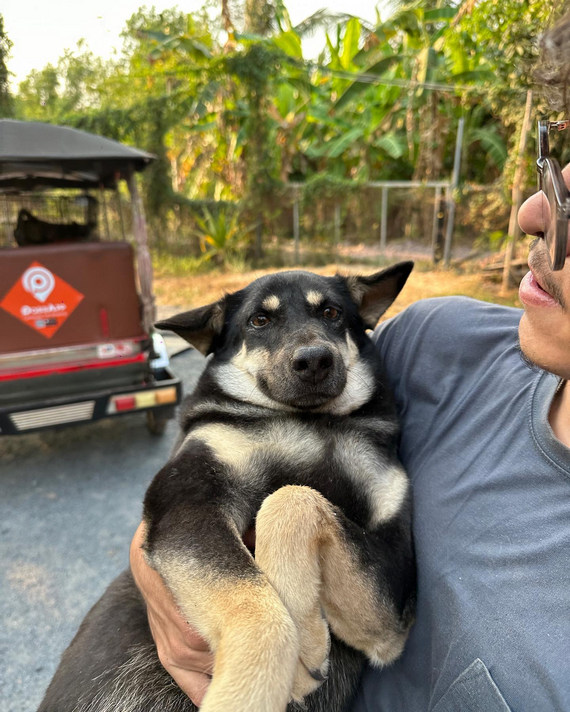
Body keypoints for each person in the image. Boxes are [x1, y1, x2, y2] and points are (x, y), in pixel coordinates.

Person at [130, 17, 570, 712]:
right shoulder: (430, 348)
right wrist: (172, 541)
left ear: (358, 320)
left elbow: (386, 622)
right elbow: (176, 514)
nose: (536, 213)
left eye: (329, 317)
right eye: (557, 165)